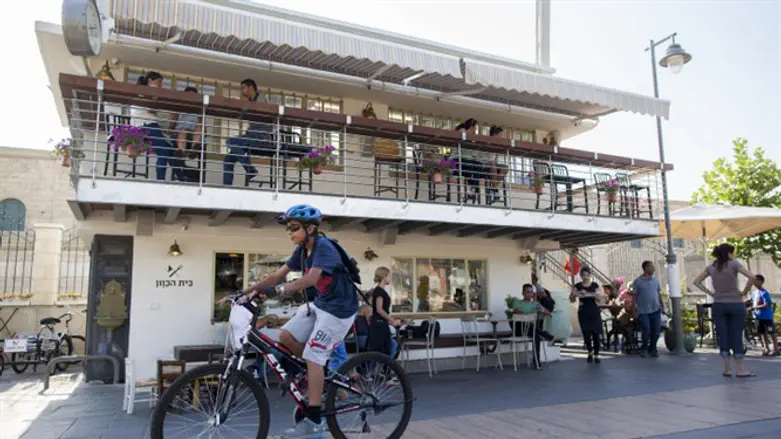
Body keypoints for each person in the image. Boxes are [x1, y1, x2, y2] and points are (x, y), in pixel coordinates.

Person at [242, 204, 358, 438]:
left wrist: (278, 290)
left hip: (340, 310)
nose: (290, 232)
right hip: (321, 305)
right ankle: (316, 374)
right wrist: (246, 291)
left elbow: (311, 279)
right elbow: (277, 275)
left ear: (310, 228)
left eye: (294, 228)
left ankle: (314, 419)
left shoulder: (324, 247)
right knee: (285, 336)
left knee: (314, 355)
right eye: (288, 228)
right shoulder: (302, 250)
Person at [693, 243, 757, 378]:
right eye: (733, 252)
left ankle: (727, 369)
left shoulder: (711, 267)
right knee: (736, 335)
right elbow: (752, 277)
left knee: (723, 335)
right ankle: (740, 369)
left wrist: (711, 293)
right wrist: (744, 292)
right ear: (729, 253)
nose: (734, 255)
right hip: (736, 304)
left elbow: (697, 281)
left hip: (718, 304)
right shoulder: (734, 264)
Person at [131, 71, 182, 181]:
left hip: (145, 126)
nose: (161, 85)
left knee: (170, 151)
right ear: (150, 81)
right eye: (159, 82)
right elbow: (150, 107)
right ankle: (160, 180)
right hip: (147, 125)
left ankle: (182, 178)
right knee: (164, 151)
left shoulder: (144, 91)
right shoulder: (146, 91)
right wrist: (159, 97)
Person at [223, 78, 271, 186]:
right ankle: (227, 187)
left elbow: (258, 113)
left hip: (260, 137)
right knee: (228, 160)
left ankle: (250, 169)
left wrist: (245, 104)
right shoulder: (250, 101)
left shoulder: (260, 97)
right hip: (250, 136)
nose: (242, 91)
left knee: (230, 141)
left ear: (251, 87)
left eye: (243, 88)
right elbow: (241, 116)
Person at [510, 284, 552, 369]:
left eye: (531, 292)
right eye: (527, 292)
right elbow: (517, 312)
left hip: (530, 330)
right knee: (526, 322)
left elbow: (549, 314)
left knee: (536, 336)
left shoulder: (535, 304)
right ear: (523, 293)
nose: (530, 294)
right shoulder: (517, 302)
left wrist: (541, 310)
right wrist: (528, 317)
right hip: (519, 329)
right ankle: (545, 334)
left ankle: (536, 361)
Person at [631, 261, 664, 358]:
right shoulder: (638, 281)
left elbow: (658, 294)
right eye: (651, 267)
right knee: (646, 329)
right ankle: (644, 348)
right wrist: (634, 311)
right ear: (645, 268)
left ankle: (652, 349)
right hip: (643, 311)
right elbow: (634, 297)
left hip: (656, 309)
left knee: (656, 332)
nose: (654, 269)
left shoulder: (655, 281)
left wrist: (662, 305)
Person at [570, 266, 603, 364]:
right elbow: (571, 299)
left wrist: (592, 294)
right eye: (583, 275)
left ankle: (597, 354)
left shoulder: (595, 285)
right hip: (583, 311)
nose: (585, 277)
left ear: (590, 275)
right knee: (586, 333)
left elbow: (599, 299)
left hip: (594, 311)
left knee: (596, 334)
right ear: (580, 276)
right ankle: (590, 352)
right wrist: (577, 293)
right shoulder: (577, 286)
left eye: (587, 275)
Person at [368, 267, 401, 359]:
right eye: (389, 276)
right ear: (384, 276)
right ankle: (384, 365)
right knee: (380, 351)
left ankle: (386, 366)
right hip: (379, 325)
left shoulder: (380, 291)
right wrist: (392, 320)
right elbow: (379, 309)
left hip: (381, 324)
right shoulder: (379, 291)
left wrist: (390, 320)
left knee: (389, 347)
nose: (390, 278)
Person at [749, 274, 779, 356]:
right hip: (758, 317)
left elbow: (766, 305)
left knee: (771, 332)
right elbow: (750, 301)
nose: (754, 282)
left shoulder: (765, 293)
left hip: (767, 317)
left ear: (761, 282)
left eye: (756, 280)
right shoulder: (754, 293)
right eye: (754, 280)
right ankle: (766, 348)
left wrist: (754, 307)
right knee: (762, 333)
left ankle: (776, 349)